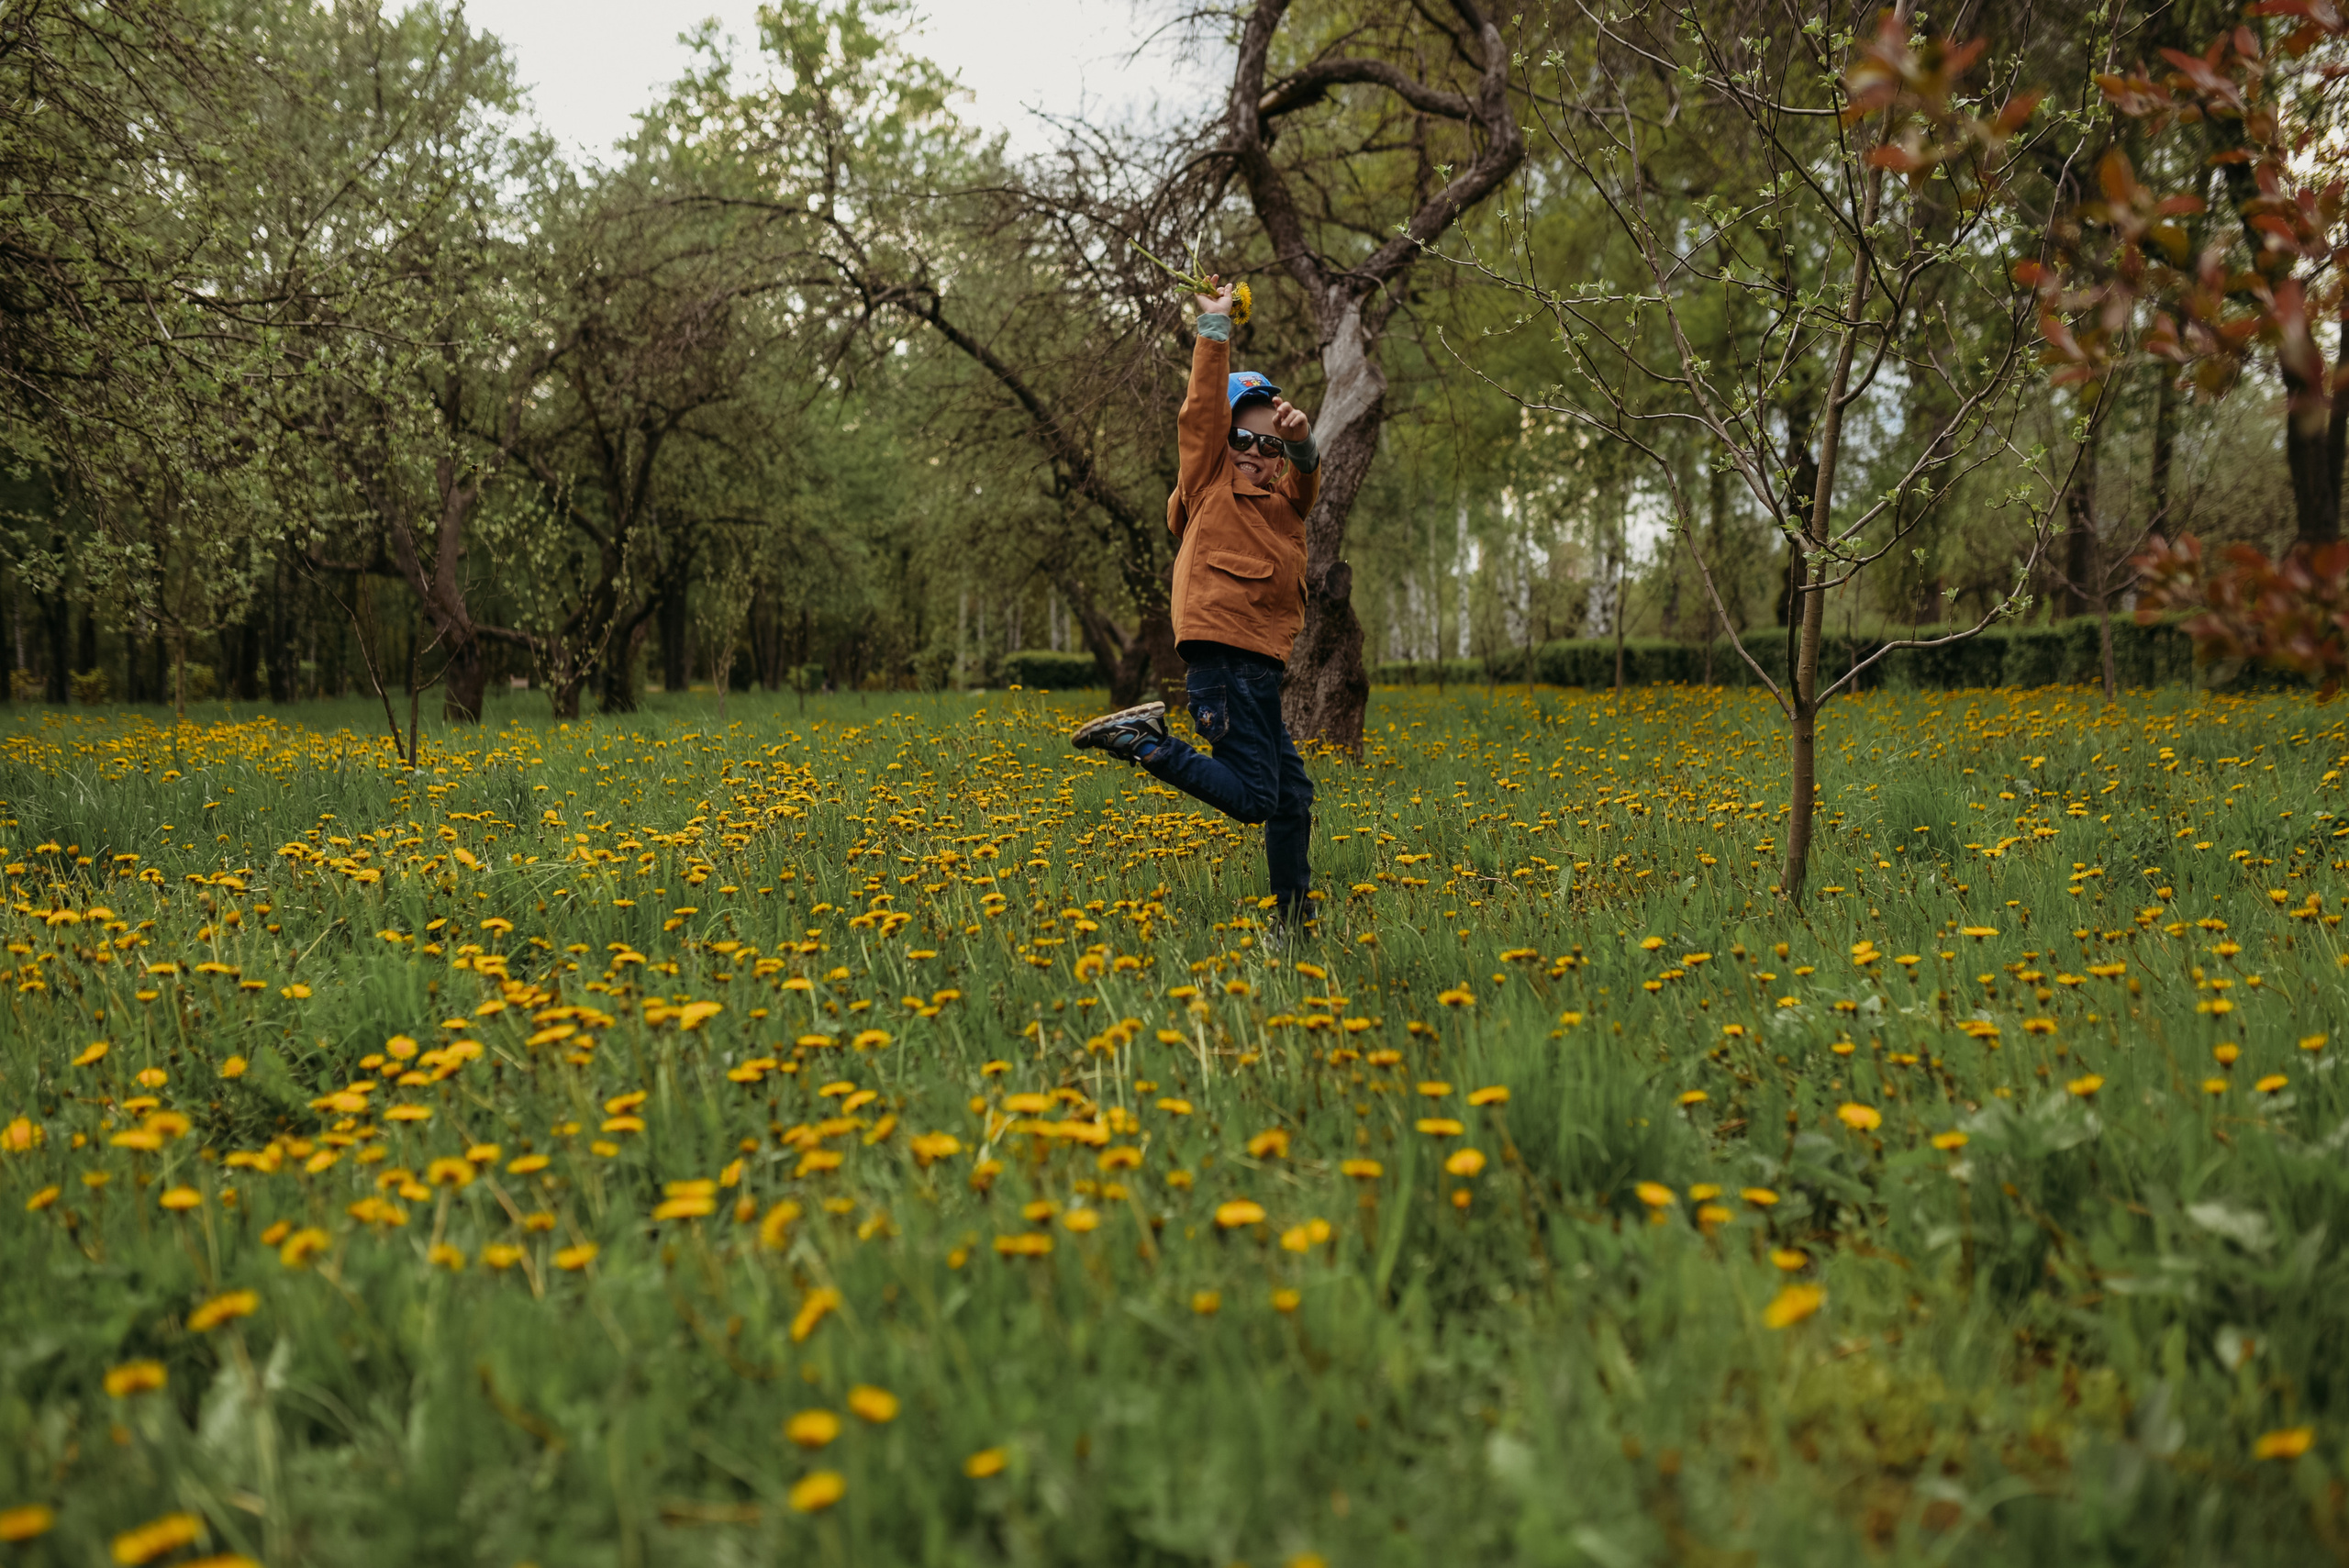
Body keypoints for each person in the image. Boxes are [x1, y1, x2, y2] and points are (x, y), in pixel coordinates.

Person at [1069, 275, 1320, 931]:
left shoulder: (1285, 505)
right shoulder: (1208, 482)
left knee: (1291, 796)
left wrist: (1302, 441)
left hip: (1256, 669)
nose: (1258, 454)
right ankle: (1145, 745)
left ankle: (1293, 922)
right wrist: (1215, 331)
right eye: (1247, 439)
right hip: (1227, 663)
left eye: (1272, 445)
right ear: (1224, 445)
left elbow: (1308, 476)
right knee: (1259, 798)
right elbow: (1202, 415)